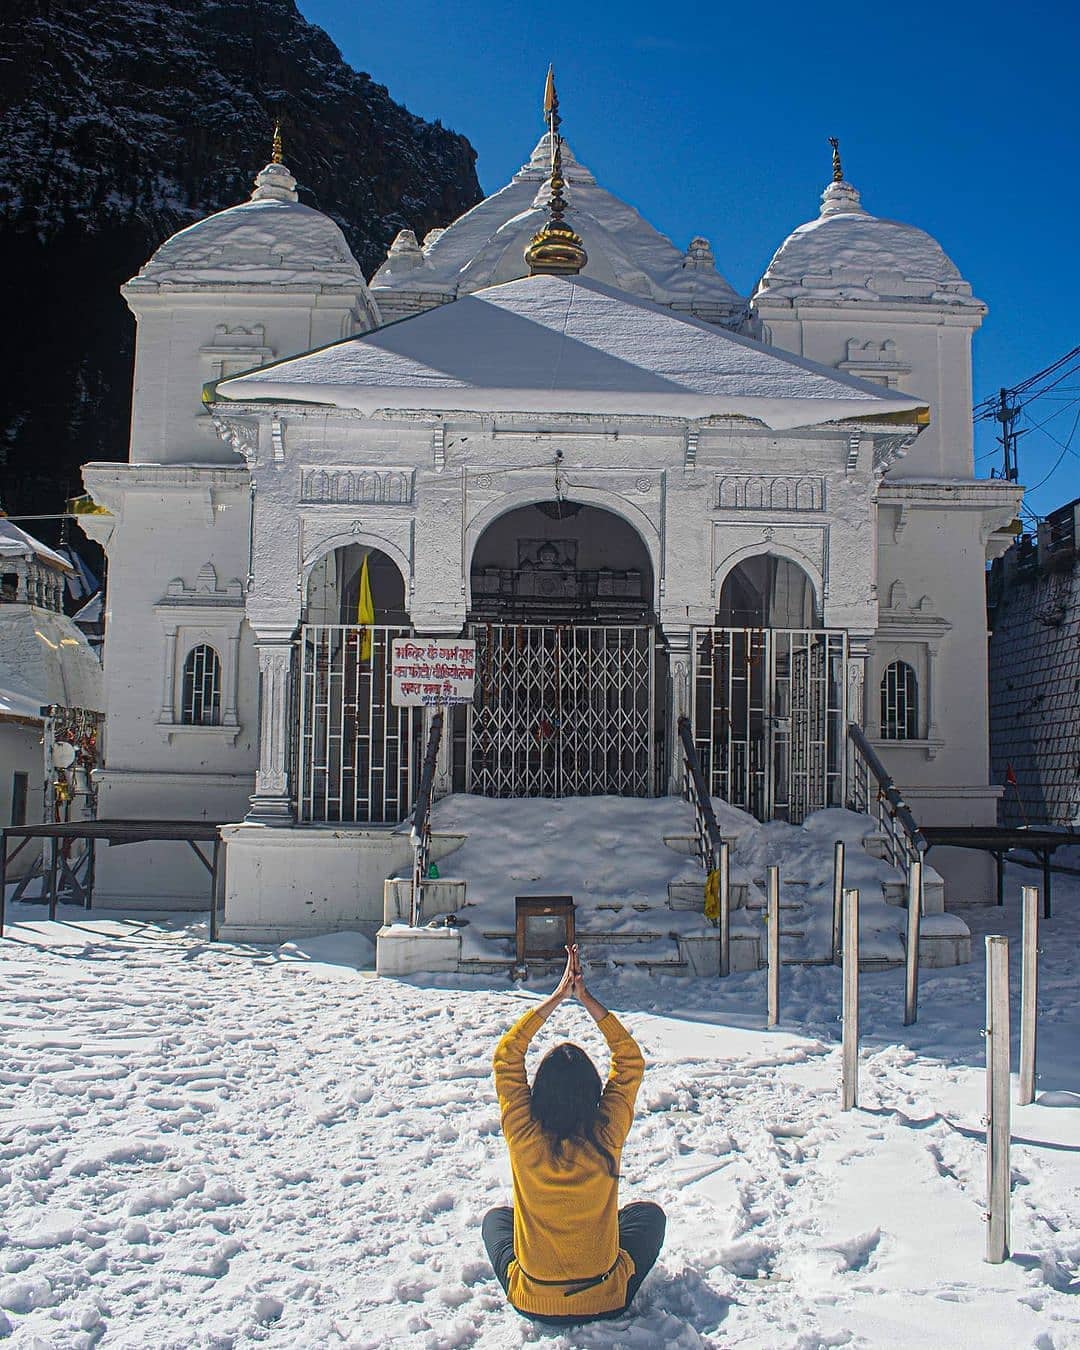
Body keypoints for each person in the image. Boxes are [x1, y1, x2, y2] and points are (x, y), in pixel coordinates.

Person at [482, 945, 666, 1325]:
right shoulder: (606, 1132)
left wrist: (555, 998)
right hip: (606, 1297)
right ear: (592, 1092)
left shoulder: (523, 1134)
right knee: (647, 1216)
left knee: (498, 1220)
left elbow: (507, 1056)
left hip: (532, 1299)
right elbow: (629, 1059)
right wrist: (586, 999)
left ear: (540, 1091)